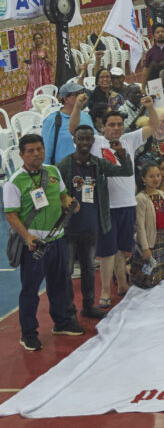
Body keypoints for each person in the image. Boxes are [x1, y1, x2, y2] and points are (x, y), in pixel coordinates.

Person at [4, 133, 83, 350]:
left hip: (57, 239)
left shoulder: (53, 171)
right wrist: (28, 237)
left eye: (39, 149)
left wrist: (69, 202)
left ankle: (62, 322)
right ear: (21, 155)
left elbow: (62, 195)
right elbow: (11, 215)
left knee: (60, 283)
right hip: (35, 244)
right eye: (30, 151)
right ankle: (28, 333)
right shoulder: (14, 182)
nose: (36, 153)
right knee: (30, 290)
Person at [56, 125, 132, 321]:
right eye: (80, 139)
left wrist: (122, 154)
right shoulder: (64, 165)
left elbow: (125, 171)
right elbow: (56, 194)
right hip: (69, 230)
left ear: (93, 141)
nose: (84, 143)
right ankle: (68, 312)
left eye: (88, 139)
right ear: (74, 140)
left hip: (92, 228)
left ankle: (88, 306)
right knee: (66, 272)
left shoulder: (97, 164)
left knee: (89, 271)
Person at [132, 162, 164, 288]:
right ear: (143, 179)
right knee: (149, 281)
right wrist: (145, 248)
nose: (156, 179)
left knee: (163, 278)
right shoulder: (141, 198)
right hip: (151, 241)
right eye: (151, 176)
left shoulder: (162, 194)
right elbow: (139, 226)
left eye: (158, 175)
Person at [42, 82, 93, 165]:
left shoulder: (86, 116)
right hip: (64, 169)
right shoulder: (52, 120)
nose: (81, 96)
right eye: (77, 94)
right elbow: (46, 151)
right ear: (66, 99)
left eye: (82, 92)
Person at [23, 32, 53, 111]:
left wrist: (43, 58)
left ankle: (45, 104)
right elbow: (31, 61)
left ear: (42, 39)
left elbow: (51, 61)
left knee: (44, 87)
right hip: (34, 73)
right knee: (33, 87)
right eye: (36, 38)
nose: (37, 40)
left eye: (39, 38)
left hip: (43, 72)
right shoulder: (31, 50)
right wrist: (28, 61)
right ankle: (33, 105)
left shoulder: (45, 49)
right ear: (33, 40)